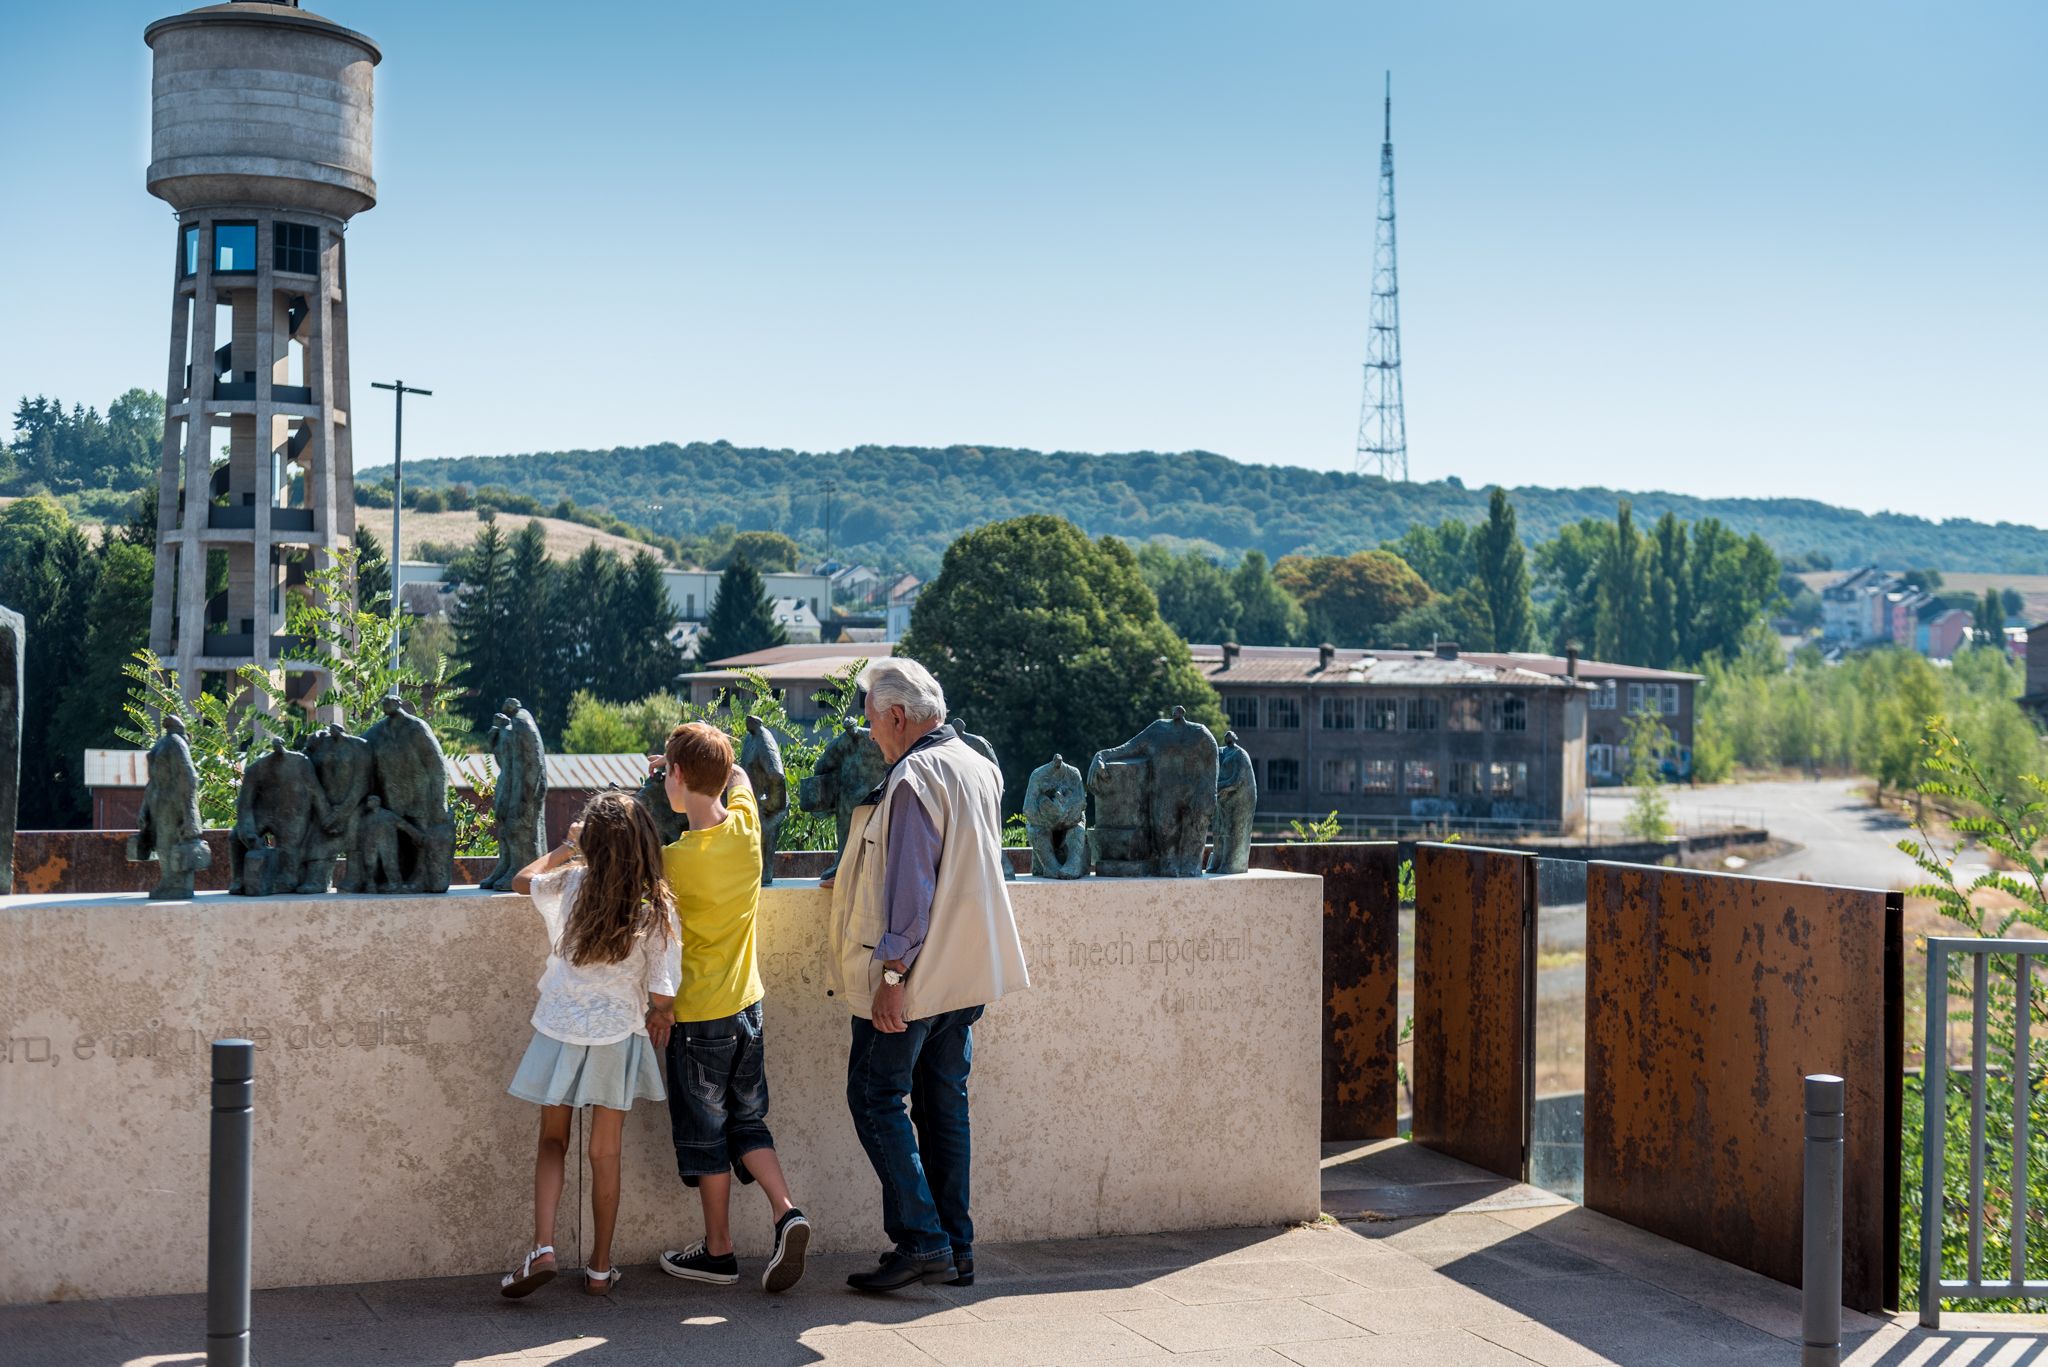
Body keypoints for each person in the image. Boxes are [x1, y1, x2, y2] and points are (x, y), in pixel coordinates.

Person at [828, 659, 1030, 1293]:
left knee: (875, 1096)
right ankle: (957, 1249)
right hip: (968, 972)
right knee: (945, 1105)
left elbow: (913, 887)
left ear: (896, 716)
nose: (869, 735)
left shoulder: (914, 776)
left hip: (915, 974)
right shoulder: (978, 764)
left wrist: (892, 976)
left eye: (871, 722)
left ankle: (922, 1241)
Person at [498, 791, 679, 1300]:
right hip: (617, 1033)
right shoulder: (655, 905)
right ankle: (600, 1268)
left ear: (592, 843)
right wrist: (661, 1013)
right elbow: (664, 990)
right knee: (606, 1152)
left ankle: (544, 1248)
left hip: (559, 1027)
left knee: (552, 1142)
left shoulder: (572, 882)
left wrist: (567, 847)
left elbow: (521, 880)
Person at [651, 722, 811, 1293]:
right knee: (748, 1121)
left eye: (668, 771)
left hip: (698, 1020)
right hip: (748, 1009)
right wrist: (699, 763)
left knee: (707, 1135)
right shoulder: (747, 831)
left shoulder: (673, 862)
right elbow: (738, 774)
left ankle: (718, 1252)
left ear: (675, 775)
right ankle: (786, 1211)